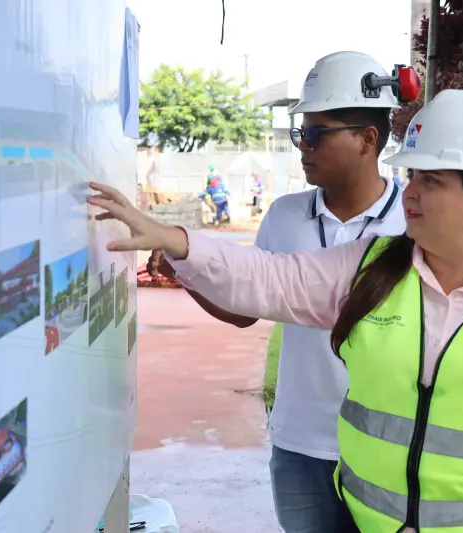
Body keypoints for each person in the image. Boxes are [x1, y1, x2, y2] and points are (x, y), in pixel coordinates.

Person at [88, 89, 463, 532]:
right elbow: (268, 278)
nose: (410, 193)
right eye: (411, 177)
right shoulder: (374, 268)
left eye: (431, 181)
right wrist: (178, 242)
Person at [156, 51, 406, 533]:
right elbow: (245, 307)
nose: (301, 147)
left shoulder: (410, 223)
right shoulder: (285, 215)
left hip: (386, 443)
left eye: (315, 134)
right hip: (300, 444)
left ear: (367, 139)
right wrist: (186, 272)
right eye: (299, 133)